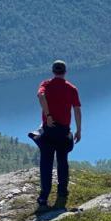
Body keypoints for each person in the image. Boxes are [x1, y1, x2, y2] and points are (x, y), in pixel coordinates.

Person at [33, 60, 82, 212]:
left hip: (48, 130)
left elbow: (41, 96)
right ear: (65, 71)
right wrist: (79, 130)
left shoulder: (46, 85)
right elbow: (77, 110)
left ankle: (43, 197)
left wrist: (47, 115)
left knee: (46, 164)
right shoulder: (71, 88)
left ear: (53, 71)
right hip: (63, 132)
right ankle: (62, 192)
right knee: (62, 161)